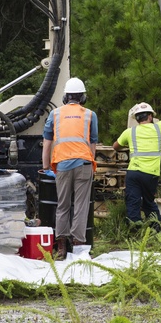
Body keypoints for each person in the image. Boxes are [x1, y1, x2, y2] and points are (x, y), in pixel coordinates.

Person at [42, 77, 98, 259]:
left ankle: (61, 248)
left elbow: (47, 143)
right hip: (84, 164)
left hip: (63, 165)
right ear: (83, 97)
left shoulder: (55, 114)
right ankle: (79, 247)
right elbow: (93, 144)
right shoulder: (90, 115)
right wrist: (91, 164)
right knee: (81, 206)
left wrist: (45, 166)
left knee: (63, 205)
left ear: (65, 97)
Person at [113, 99, 161, 230]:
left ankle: (135, 230)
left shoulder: (130, 132)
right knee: (149, 202)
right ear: (150, 116)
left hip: (134, 173)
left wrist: (127, 143)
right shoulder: (159, 128)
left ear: (136, 118)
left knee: (133, 201)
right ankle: (156, 230)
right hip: (151, 175)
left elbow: (115, 146)